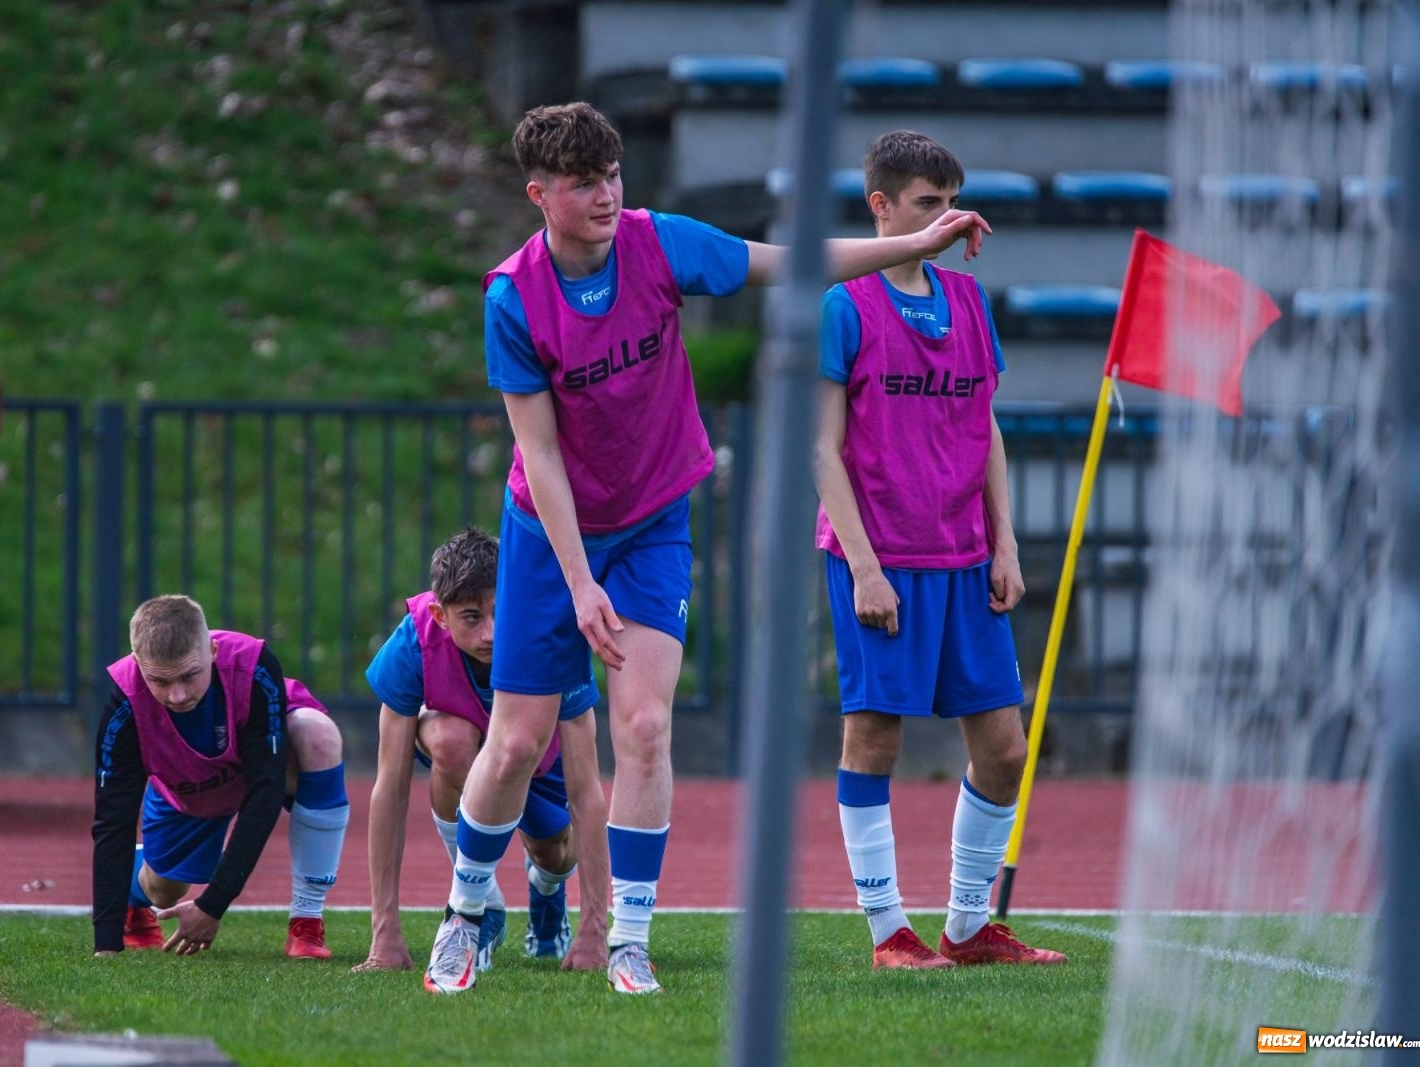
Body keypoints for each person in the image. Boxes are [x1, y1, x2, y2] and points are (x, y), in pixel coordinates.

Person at [422, 102, 995, 996]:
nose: (607, 195)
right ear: (540, 195)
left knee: (646, 727)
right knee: (517, 740)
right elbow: (540, 455)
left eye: (613, 176)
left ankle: (629, 938)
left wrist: (918, 242)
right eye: (584, 183)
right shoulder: (514, 297)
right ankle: (463, 914)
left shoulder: (660, 243)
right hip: (551, 533)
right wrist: (579, 582)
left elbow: (791, 264)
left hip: (653, 519)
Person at [813, 130, 1064, 969]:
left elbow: (983, 425)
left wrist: (1005, 541)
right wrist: (864, 566)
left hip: (965, 556)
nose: (948, 219)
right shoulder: (844, 304)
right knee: (874, 739)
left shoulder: (967, 300)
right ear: (881, 206)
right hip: (881, 556)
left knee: (1005, 749)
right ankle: (889, 931)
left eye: (953, 202)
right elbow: (821, 449)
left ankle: (966, 927)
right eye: (929, 204)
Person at [354, 527, 610, 978]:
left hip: (539, 757)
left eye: (499, 611)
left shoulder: (549, 634)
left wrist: (595, 927)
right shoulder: (411, 644)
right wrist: (384, 931)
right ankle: (480, 900)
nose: (490, 633)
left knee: (554, 853)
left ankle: (547, 888)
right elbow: (389, 789)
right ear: (440, 615)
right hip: (468, 752)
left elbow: (586, 790)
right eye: (471, 617)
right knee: (450, 741)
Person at [91, 595, 350, 960]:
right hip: (189, 786)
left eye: (189, 675)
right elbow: (112, 820)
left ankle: (306, 922)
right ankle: (136, 890)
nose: (177, 695)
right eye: (159, 681)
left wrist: (212, 904)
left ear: (212, 651)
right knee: (163, 890)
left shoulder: (254, 667)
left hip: (263, 762)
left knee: (316, 736)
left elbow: (265, 791)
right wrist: (106, 944)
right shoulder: (124, 705)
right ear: (137, 664)